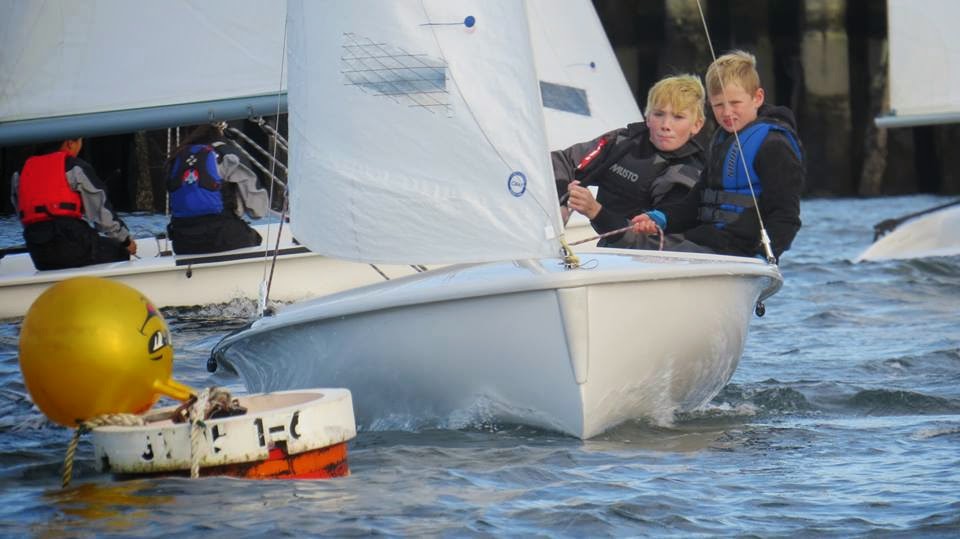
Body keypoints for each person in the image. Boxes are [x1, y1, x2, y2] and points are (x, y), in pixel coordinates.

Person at [629, 50, 804, 261]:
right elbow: (694, 203)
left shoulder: (774, 146)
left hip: (739, 253)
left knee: (647, 253)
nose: (727, 112)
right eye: (719, 105)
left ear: (757, 98)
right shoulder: (723, 140)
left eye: (735, 103)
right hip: (707, 241)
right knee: (631, 243)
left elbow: (786, 217)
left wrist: (764, 257)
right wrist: (661, 218)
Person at [552, 74, 706, 246]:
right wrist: (561, 202)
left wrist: (596, 212)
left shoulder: (691, 174)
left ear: (697, 125)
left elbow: (656, 244)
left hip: (652, 262)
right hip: (608, 251)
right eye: (659, 114)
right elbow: (561, 161)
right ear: (647, 117)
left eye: (678, 117)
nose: (666, 125)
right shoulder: (622, 141)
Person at [11, 137, 137, 270]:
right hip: (71, 242)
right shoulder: (74, 168)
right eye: (80, 142)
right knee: (119, 251)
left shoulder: (19, 174)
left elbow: (23, 214)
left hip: (38, 250)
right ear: (70, 143)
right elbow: (103, 217)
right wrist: (125, 241)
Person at [165, 124, 270, 254]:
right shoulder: (227, 155)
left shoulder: (177, 158)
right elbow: (257, 211)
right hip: (224, 238)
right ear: (219, 131)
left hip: (183, 243)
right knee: (255, 238)